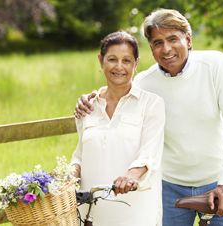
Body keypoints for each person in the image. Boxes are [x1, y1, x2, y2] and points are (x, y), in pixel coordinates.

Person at [75, 9, 223, 226]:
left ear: (188, 40)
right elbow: (119, 90)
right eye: (158, 42)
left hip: (218, 182)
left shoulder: (216, 65)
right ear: (151, 49)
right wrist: (91, 98)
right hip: (169, 187)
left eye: (172, 39)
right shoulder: (145, 82)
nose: (166, 49)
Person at [71, 31, 165, 226]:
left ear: (136, 64)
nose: (119, 67)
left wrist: (130, 177)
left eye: (127, 61)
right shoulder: (88, 105)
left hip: (134, 208)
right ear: (101, 60)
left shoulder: (151, 104)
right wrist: (68, 175)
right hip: (91, 210)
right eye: (112, 59)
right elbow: (80, 153)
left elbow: (149, 152)